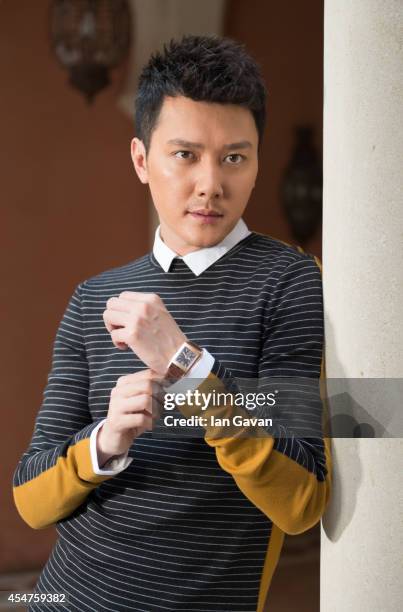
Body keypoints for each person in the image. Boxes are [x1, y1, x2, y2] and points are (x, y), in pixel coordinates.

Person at [13, 34, 332, 612]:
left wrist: (187, 365)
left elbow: (301, 499)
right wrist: (105, 441)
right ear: (142, 160)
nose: (211, 183)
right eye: (185, 154)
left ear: (257, 162)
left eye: (234, 156)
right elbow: (31, 499)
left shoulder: (290, 282)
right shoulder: (95, 299)